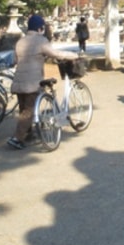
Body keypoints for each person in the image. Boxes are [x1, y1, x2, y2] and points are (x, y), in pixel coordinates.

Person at [7, 14, 78, 150]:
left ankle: (28, 135)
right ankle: (17, 138)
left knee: (23, 109)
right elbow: (56, 54)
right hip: (32, 83)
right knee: (29, 111)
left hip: (18, 80)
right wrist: (72, 55)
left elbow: (15, 60)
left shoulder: (20, 41)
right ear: (40, 28)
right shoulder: (41, 41)